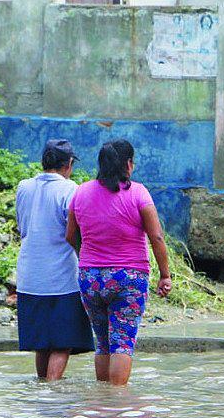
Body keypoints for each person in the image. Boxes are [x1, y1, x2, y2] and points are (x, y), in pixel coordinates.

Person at [66, 139, 172, 387]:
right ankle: (117, 401)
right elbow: (156, 237)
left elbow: (70, 235)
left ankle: (102, 398)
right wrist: (165, 275)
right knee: (122, 342)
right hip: (129, 277)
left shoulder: (81, 192)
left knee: (102, 342)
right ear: (128, 164)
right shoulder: (138, 193)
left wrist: (87, 257)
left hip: (90, 277)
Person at [14, 139, 94, 381]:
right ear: (68, 164)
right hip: (62, 278)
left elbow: (22, 227)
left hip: (29, 276)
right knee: (62, 342)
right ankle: (52, 388)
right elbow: (74, 232)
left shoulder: (24, 187)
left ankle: (43, 388)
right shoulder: (70, 190)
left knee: (42, 342)